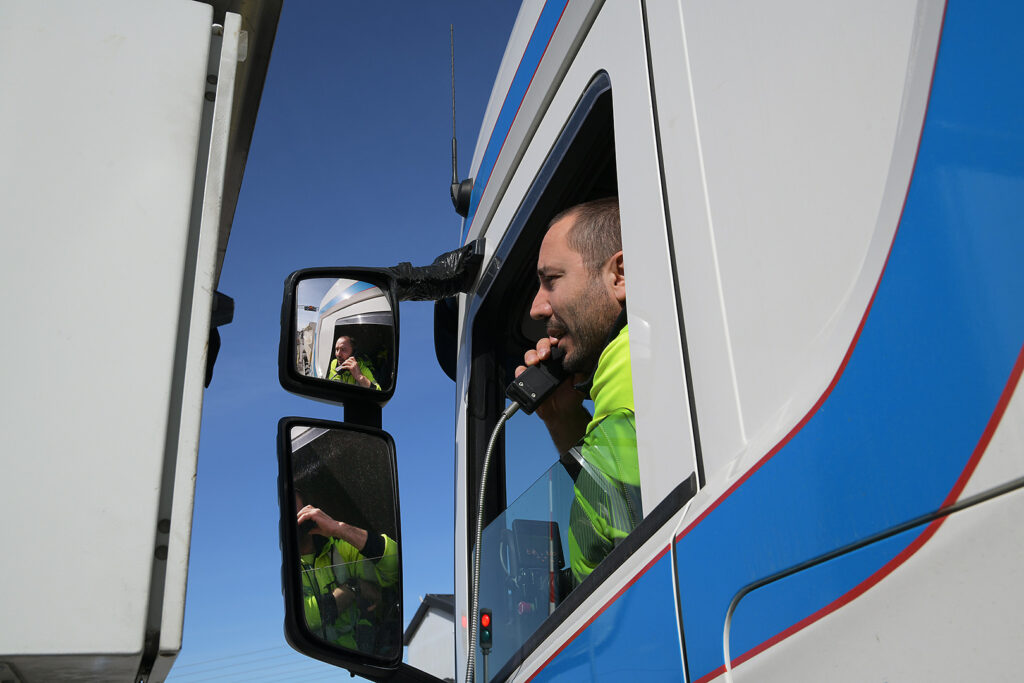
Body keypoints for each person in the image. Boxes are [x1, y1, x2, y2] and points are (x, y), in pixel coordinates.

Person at [515, 196, 640, 585]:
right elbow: (626, 510)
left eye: (551, 280)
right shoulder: (637, 367)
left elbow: (617, 553)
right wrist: (562, 417)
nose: (536, 308)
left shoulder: (630, 361)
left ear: (619, 275)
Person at [294, 467, 399, 653]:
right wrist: (353, 589)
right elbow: (305, 617)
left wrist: (340, 529)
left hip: (360, 655)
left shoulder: (341, 550)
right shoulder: (285, 567)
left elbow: (395, 566)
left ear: (309, 511)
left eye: (293, 509)